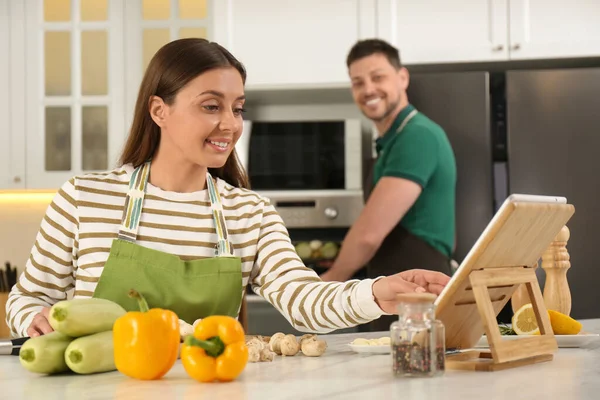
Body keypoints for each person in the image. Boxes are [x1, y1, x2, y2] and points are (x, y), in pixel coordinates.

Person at [6, 38, 450, 338]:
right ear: (159, 110)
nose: (230, 125)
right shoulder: (85, 199)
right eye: (210, 106)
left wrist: (376, 293)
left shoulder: (249, 214)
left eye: (237, 108)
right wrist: (33, 319)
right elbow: (27, 298)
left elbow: (302, 298)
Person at [320, 39, 457, 331]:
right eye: (358, 82)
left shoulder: (416, 136)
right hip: (392, 290)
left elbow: (369, 234)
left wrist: (327, 283)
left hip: (415, 293)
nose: (368, 89)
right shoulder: (392, 142)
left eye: (377, 77)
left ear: (402, 77)